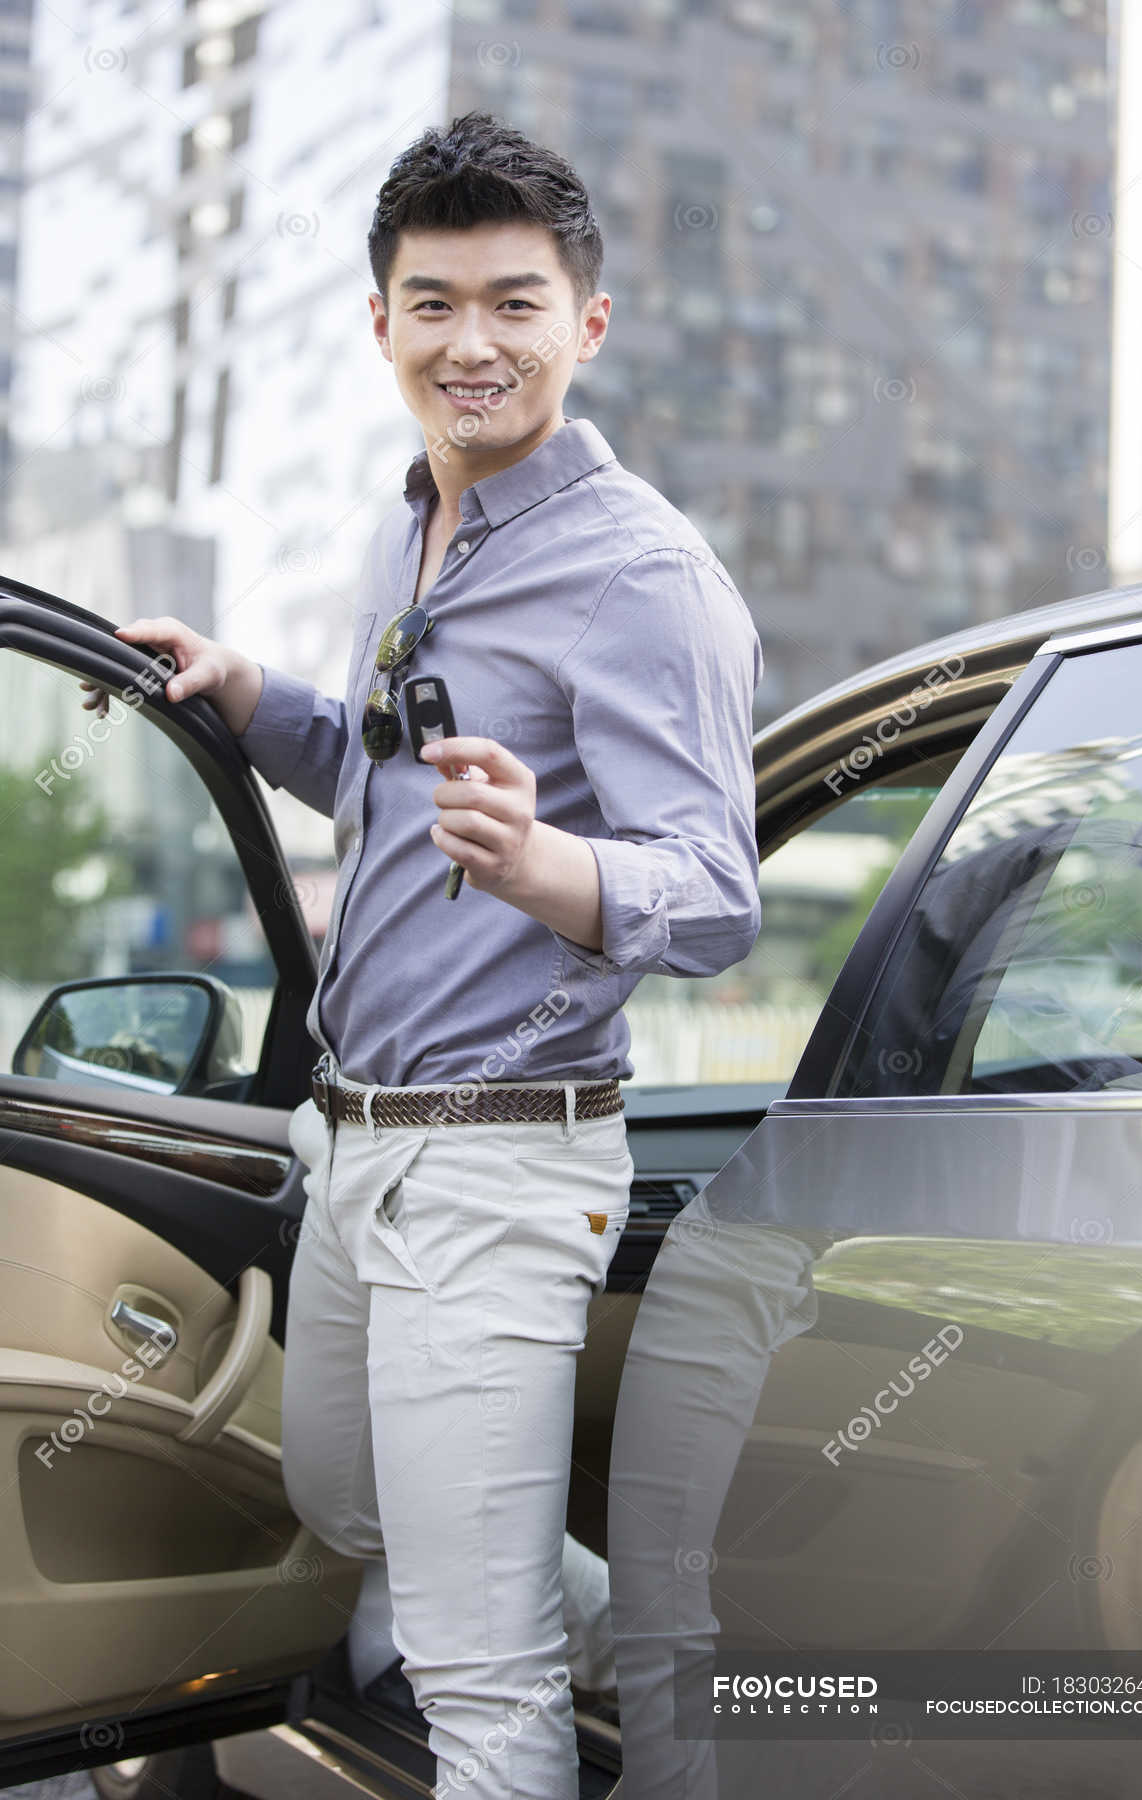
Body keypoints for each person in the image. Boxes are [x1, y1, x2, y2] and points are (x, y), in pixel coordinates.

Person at [85, 111, 764, 1800]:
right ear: (379, 321)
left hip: (506, 1164)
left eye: (515, 304)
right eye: (435, 302)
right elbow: (393, 776)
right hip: (359, 1145)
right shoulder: (419, 525)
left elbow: (718, 892)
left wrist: (547, 864)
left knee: (474, 1677)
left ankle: (554, 1694)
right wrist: (257, 704)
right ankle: (690, 1682)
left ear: (585, 324)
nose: (474, 343)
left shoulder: (643, 575)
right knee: (343, 1504)